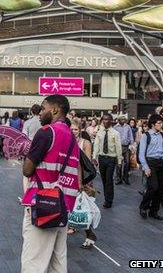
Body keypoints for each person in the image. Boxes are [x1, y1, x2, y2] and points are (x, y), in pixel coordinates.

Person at [21, 95, 80, 272]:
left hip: (43, 204)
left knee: (34, 261)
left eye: (43, 107)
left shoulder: (46, 132)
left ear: (55, 110)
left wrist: (27, 152)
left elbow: (27, 170)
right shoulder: (72, 137)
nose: (40, 112)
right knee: (58, 261)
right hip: (63, 205)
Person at [67, 120, 97, 249]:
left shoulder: (85, 143)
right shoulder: (67, 141)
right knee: (70, 206)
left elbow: (87, 164)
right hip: (69, 177)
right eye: (71, 129)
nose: (73, 132)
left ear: (80, 130)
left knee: (83, 209)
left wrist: (82, 183)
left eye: (76, 129)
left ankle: (90, 235)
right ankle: (71, 227)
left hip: (82, 179)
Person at [138, 114, 163, 221]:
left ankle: (154, 211)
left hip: (161, 164)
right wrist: (146, 167)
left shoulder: (161, 135)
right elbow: (141, 154)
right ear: (153, 124)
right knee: (153, 187)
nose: (161, 125)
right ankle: (143, 206)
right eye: (159, 123)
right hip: (151, 163)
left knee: (159, 189)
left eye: (161, 123)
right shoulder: (146, 136)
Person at [92, 113, 122, 208]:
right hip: (101, 158)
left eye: (107, 119)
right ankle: (106, 197)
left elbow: (118, 148)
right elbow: (96, 145)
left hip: (111, 159)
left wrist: (119, 161)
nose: (105, 121)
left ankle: (109, 200)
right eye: (104, 119)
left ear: (111, 121)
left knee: (109, 180)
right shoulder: (99, 132)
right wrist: (94, 158)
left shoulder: (115, 133)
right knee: (104, 180)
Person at [114, 116, 134, 185]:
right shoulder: (115, 127)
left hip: (126, 147)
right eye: (121, 119)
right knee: (118, 163)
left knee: (127, 163)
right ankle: (118, 178)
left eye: (124, 120)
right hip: (118, 147)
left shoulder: (127, 127)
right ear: (119, 120)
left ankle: (125, 177)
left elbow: (130, 136)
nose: (123, 121)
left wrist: (132, 145)